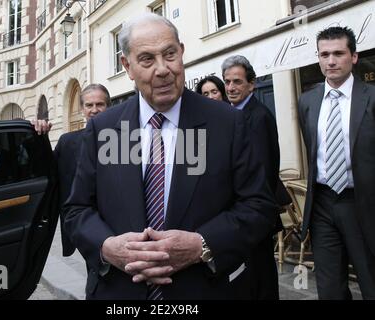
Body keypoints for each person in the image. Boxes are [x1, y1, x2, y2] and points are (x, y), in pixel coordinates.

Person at [63, 13, 277, 300]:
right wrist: (106, 247)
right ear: (127, 66)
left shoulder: (227, 123)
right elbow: (77, 210)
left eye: (169, 54)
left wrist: (203, 244)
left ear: (182, 53)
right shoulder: (104, 128)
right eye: (147, 59)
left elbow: (258, 205)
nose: (163, 69)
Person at [298, 26, 375, 300]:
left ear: (354, 57)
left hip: (363, 203)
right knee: (330, 290)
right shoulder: (307, 101)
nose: (331, 61)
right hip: (322, 205)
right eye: (324, 54)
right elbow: (312, 150)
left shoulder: (371, 97)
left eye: (338, 53)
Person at [221, 55, 290, 300]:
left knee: (261, 274)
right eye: (227, 81)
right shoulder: (230, 114)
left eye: (237, 82)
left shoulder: (258, 116)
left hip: (255, 211)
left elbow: (264, 168)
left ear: (252, 84)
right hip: (239, 212)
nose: (230, 87)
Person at [54, 84, 110, 257]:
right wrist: (37, 135)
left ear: (109, 106)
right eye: (89, 105)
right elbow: (47, 175)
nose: (94, 110)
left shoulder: (125, 140)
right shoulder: (66, 142)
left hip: (115, 225)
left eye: (100, 104)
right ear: (82, 109)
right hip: (85, 224)